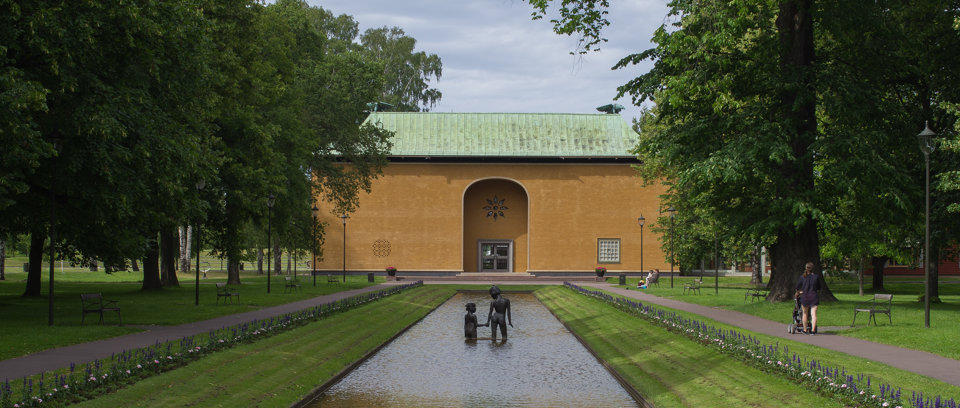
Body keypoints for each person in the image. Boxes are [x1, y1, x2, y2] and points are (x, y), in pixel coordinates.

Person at [795, 262, 820, 335]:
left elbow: (797, 287)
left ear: (806, 268)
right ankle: (813, 330)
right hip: (814, 296)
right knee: (813, 314)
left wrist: (799, 292)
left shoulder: (802, 277)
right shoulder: (816, 277)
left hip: (805, 297)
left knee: (805, 313)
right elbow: (819, 287)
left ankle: (805, 330)